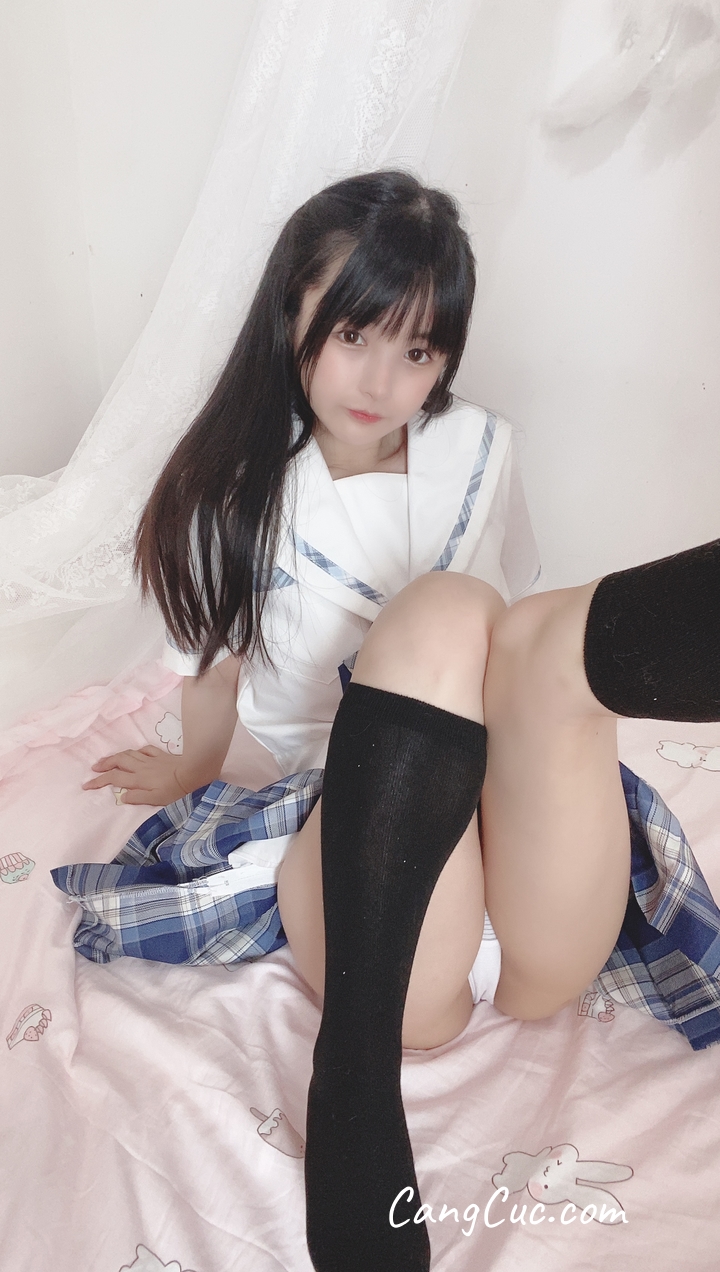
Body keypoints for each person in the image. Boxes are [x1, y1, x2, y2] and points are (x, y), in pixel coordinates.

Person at [52, 170, 720, 1272]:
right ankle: (354, 1072)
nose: (383, 381)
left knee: (525, 637)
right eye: (355, 335)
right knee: (449, 608)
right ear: (292, 316)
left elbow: (513, 645)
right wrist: (190, 767)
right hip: (373, 885)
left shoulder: (483, 450)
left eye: (418, 351)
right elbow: (213, 672)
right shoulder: (233, 492)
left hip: (536, 881)